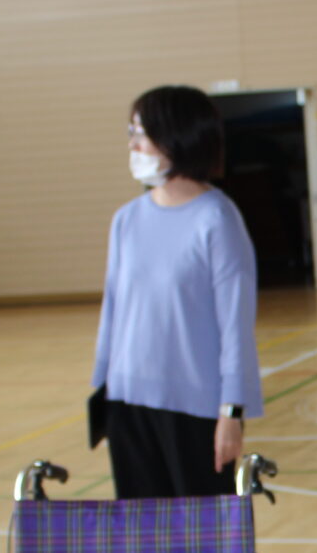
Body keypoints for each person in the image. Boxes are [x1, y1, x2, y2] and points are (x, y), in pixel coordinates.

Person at [92, 85, 262, 498]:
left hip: (194, 409)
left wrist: (232, 412)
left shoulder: (217, 220)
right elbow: (113, 312)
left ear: (177, 136)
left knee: (205, 547)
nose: (133, 144)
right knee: (145, 546)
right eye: (130, 132)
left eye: (141, 133)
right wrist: (101, 396)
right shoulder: (126, 220)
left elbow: (235, 327)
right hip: (128, 404)